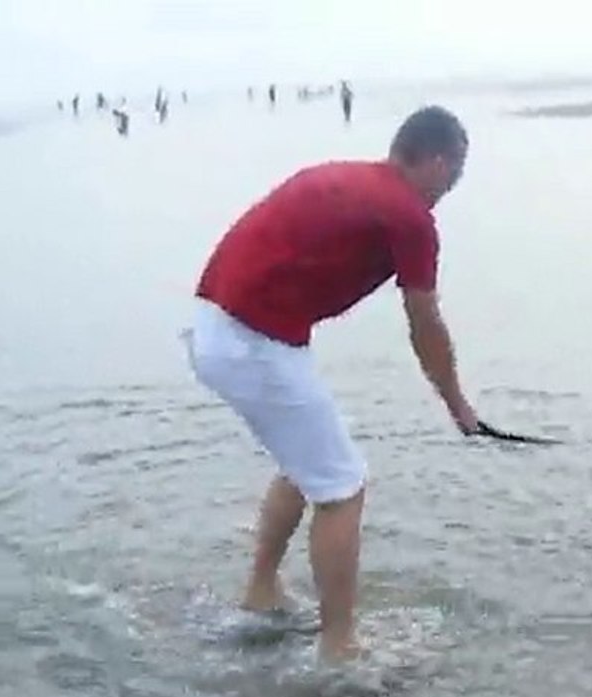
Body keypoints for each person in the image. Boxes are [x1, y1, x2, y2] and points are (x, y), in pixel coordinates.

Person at [183, 106, 477, 663]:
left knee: (307, 464)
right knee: (343, 487)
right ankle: (340, 649)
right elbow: (425, 324)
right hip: (253, 342)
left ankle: (262, 593)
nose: (450, 189)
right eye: (454, 175)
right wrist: (457, 404)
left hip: (214, 324)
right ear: (437, 162)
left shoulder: (340, 174)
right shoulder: (409, 217)